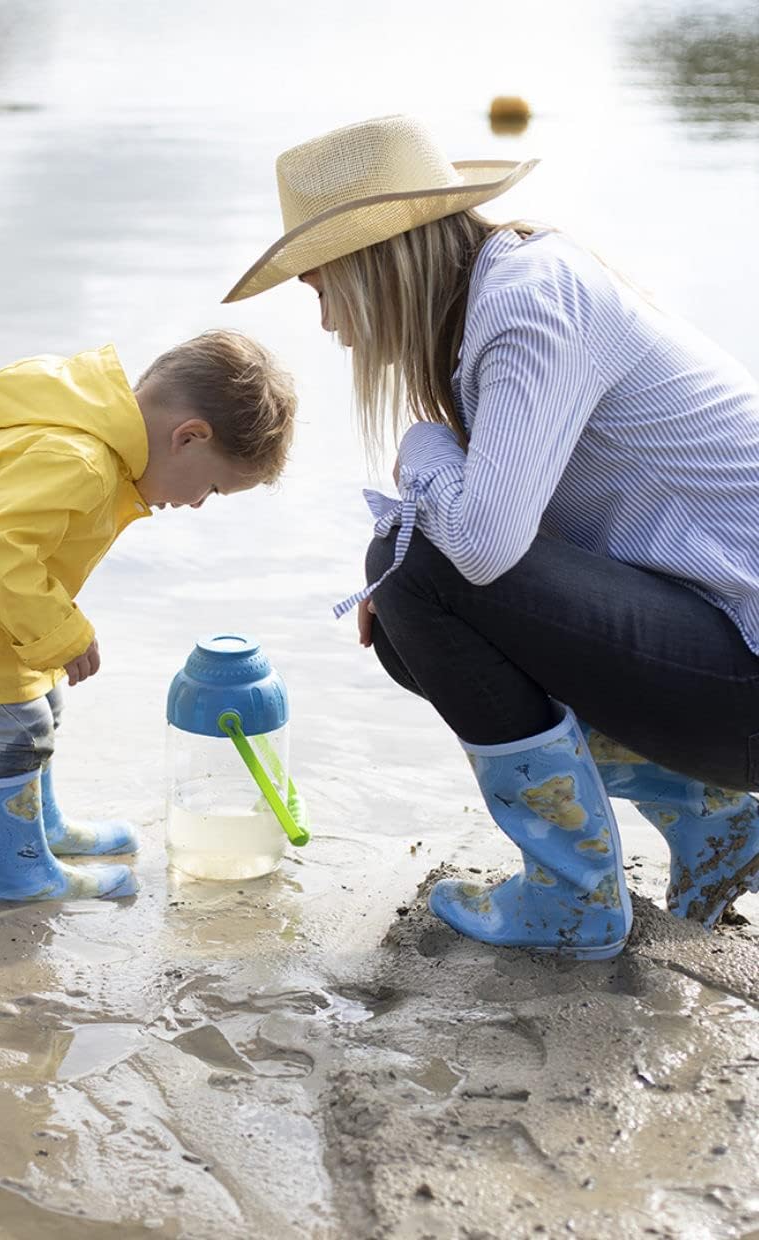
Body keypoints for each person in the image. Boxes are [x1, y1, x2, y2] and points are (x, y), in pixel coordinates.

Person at [224, 114, 759, 960]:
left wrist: (421, 447)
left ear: (372, 266)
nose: (326, 323)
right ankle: (716, 818)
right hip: (726, 650)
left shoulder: (527, 303)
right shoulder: (508, 294)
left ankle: (574, 898)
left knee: (417, 568)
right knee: (403, 596)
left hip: (746, 665)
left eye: (321, 288)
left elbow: (479, 550)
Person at [0, 332, 297, 904]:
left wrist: (51, 625)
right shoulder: (81, 460)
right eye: (213, 488)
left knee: (41, 704)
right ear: (188, 436)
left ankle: (39, 829)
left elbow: (16, 544)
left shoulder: (87, 438)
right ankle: (17, 874)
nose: (197, 504)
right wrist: (62, 631)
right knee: (18, 728)